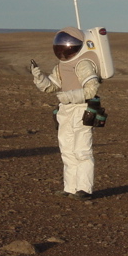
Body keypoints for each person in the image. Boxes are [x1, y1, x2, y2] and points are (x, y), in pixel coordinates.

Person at [31, 26, 101, 201]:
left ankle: (84, 188)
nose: (63, 49)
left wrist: (70, 95)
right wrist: (39, 77)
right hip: (65, 110)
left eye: (67, 45)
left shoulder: (83, 63)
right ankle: (70, 188)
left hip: (81, 109)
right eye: (61, 45)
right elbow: (51, 86)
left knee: (82, 150)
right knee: (67, 150)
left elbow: (91, 89)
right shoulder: (62, 66)